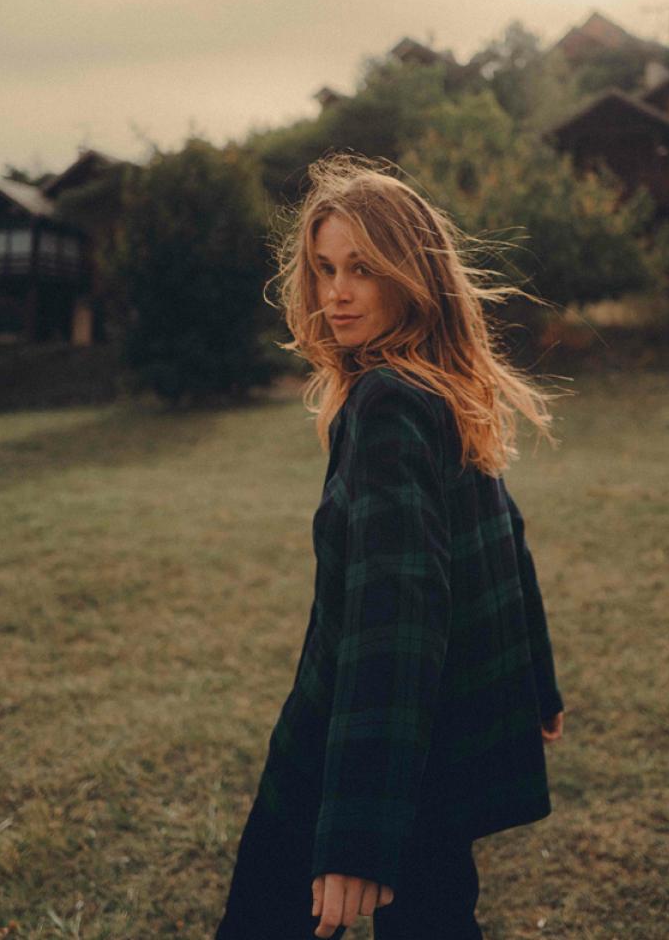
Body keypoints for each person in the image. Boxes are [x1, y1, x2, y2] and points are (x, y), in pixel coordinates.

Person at [214, 152, 566, 940]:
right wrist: (536, 683)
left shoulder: (391, 403)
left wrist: (358, 835)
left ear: (413, 276)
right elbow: (504, 542)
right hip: (433, 741)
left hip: (363, 743)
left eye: (363, 269)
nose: (335, 293)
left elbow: (396, 615)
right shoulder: (437, 386)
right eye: (325, 268)